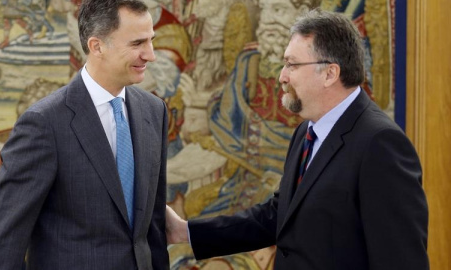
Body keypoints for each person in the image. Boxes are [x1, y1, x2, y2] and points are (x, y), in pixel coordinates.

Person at [166, 8, 429, 270]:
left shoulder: (381, 144)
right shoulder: (306, 132)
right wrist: (185, 232)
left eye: (292, 64)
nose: (282, 76)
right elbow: (276, 217)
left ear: (330, 73)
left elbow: (401, 260)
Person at [0, 0, 170, 269]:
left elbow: (153, 230)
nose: (151, 55)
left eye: (151, 40)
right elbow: (2, 243)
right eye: (137, 44)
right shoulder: (43, 124)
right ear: (97, 46)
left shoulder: (154, 111)